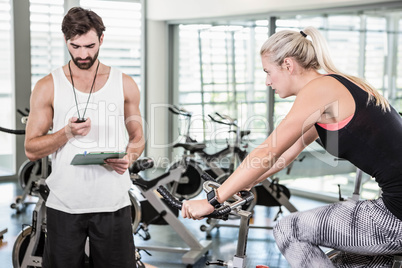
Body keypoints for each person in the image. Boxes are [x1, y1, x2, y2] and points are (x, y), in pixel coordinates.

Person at [182, 26, 402, 267]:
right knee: (345, 262)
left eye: (268, 72)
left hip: (395, 215)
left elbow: (268, 151)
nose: (267, 82)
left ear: (288, 65)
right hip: (394, 208)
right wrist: (239, 186)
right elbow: (284, 154)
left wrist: (212, 201)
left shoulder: (320, 90)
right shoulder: (333, 87)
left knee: (289, 229)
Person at [24, 7, 145, 268]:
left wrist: (129, 157)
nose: (82, 54)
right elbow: (31, 149)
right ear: (66, 41)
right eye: (74, 46)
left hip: (114, 203)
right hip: (65, 204)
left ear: (102, 39)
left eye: (89, 46)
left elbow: (138, 138)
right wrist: (66, 133)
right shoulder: (48, 85)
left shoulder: (124, 83)